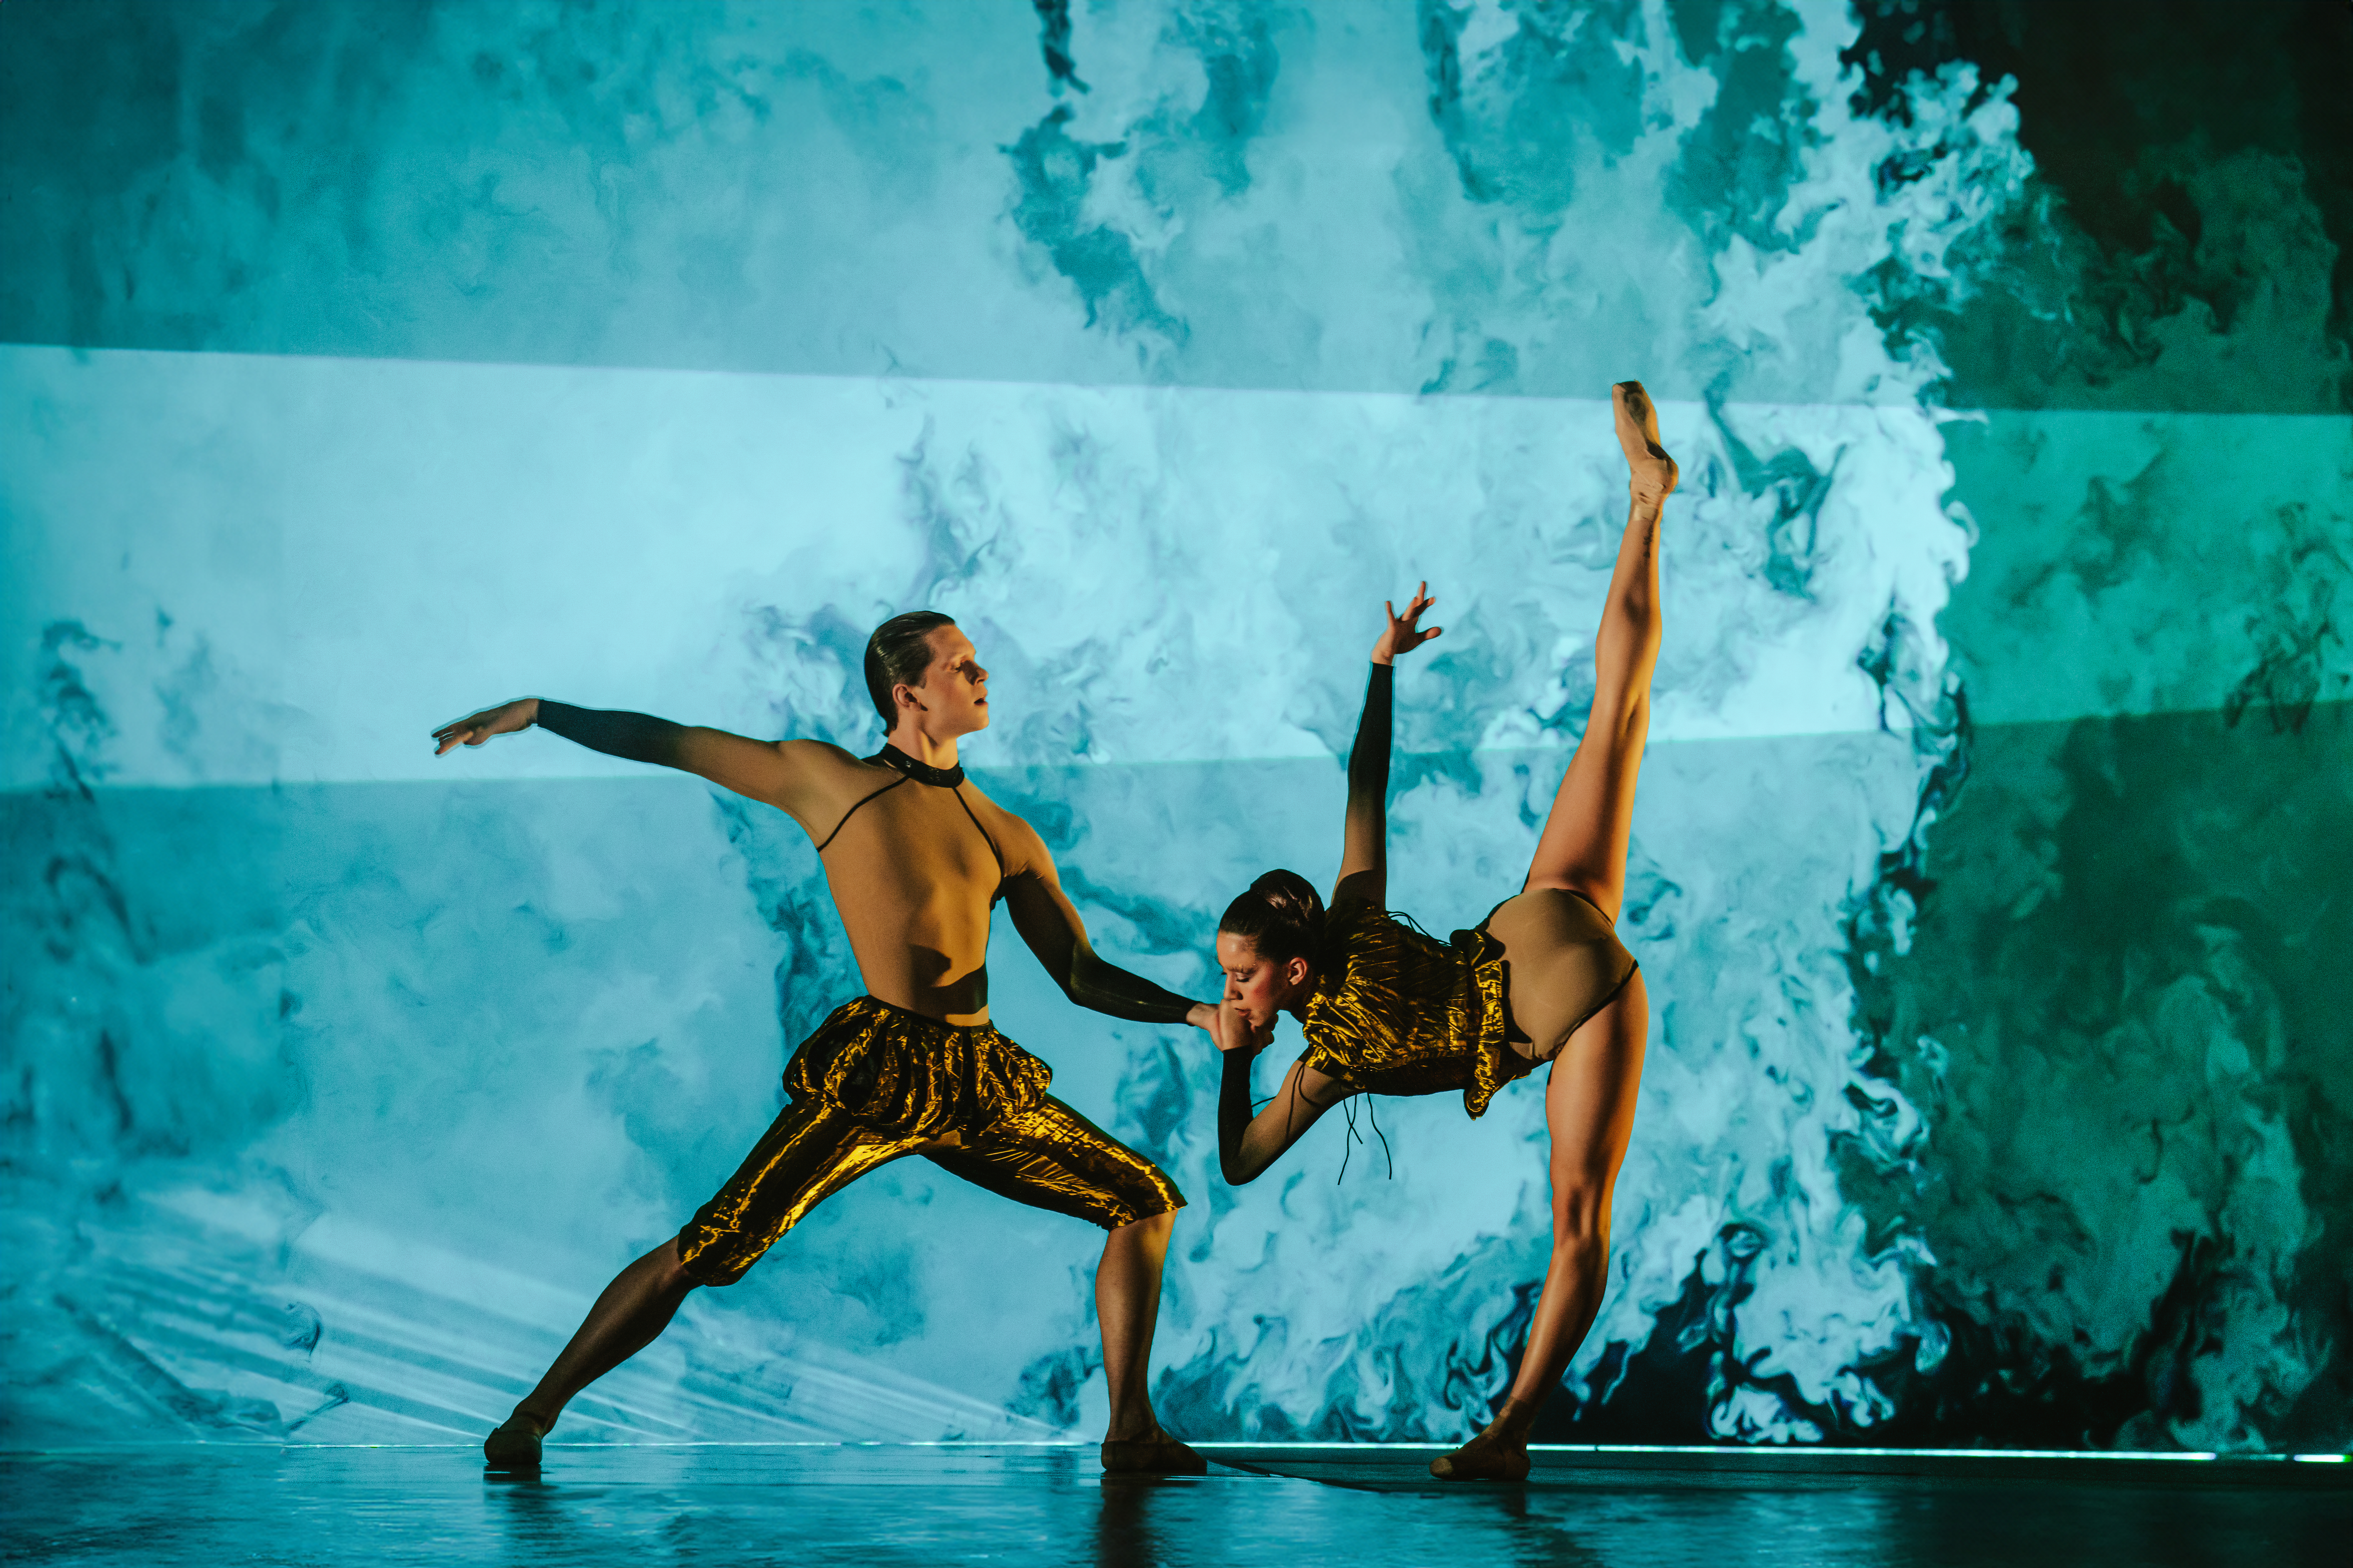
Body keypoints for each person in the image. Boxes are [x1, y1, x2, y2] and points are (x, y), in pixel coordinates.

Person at [433, 611, 1217, 1475]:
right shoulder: (829, 780)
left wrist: (1195, 1013)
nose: (983, 674)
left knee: (1143, 1199)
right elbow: (676, 742)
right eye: (961, 666)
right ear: (907, 691)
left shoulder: (1006, 833)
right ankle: (535, 1416)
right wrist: (541, 711)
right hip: (880, 1077)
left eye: (977, 663)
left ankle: (1130, 1429)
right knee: (714, 1246)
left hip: (976, 1081)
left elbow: (1079, 972)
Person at [1203, 382, 1676, 1482]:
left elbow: (1238, 1162)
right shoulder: (1352, 915)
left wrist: (1237, 1069)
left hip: (1571, 1000)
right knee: (1617, 713)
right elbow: (1366, 782)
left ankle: (1507, 1437)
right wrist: (1379, 671)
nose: (1233, 995)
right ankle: (1643, 508)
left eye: (1240, 979)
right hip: (1531, 919)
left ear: (1292, 970)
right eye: (1231, 985)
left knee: (1576, 1220)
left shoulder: (1331, 1066)